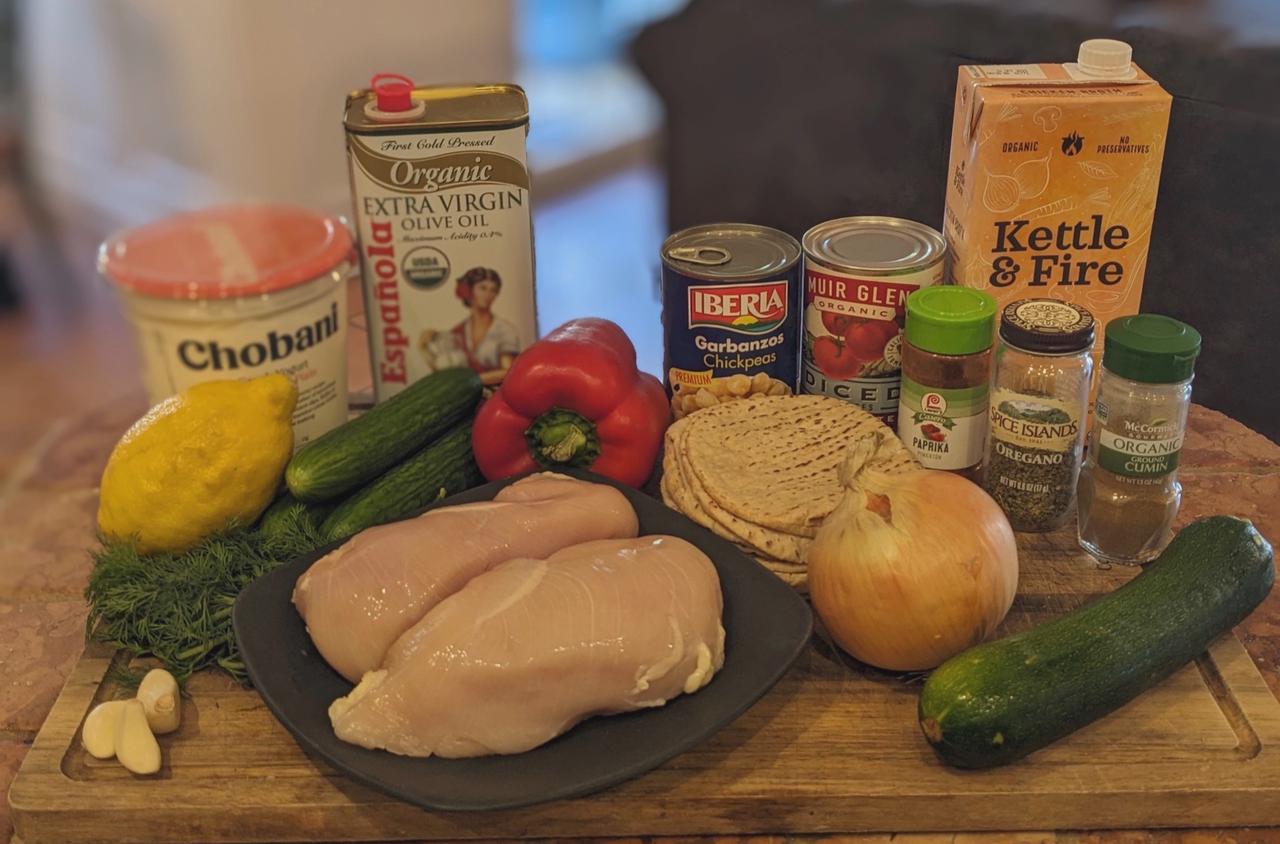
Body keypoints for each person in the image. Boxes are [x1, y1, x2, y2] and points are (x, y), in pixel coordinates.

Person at [418, 267, 521, 385]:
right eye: (482, 288)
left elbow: (508, 372)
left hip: (497, 396)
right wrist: (424, 346)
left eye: (493, 290)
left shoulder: (505, 330)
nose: (488, 294)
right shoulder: (459, 331)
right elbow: (444, 370)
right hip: (465, 396)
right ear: (469, 291)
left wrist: (470, 382)